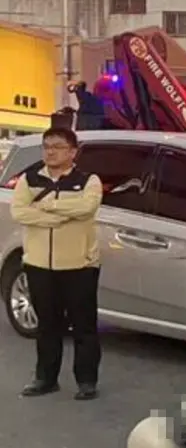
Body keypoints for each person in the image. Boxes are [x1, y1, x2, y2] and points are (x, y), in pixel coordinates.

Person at [9, 127, 103, 400]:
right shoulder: (30, 179)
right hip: (39, 264)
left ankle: (86, 381)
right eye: (47, 146)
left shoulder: (88, 180)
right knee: (47, 326)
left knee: (84, 327)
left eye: (57, 147)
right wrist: (54, 217)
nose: (50, 151)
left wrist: (48, 207)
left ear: (73, 152)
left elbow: (86, 208)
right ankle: (45, 378)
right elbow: (19, 211)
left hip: (79, 265)